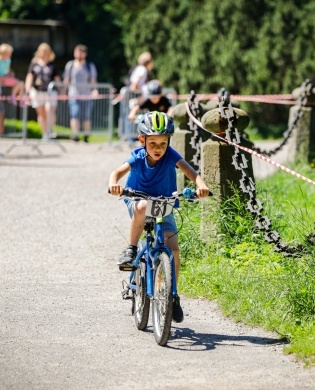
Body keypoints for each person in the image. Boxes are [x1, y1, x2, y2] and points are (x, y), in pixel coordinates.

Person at [108, 111, 210, 323]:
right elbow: (116, 173)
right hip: (137, 198)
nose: (158, 148)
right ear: (142, 140)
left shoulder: (171, 156)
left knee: (173, 250)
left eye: (163, 143)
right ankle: (132, 248)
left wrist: (201, 186)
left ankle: (173, 296)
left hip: (165, 202)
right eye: (153, 143)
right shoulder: (137, 157)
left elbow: (191, 172)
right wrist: (114, 184)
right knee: (142, 207)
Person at [24, 43, 61, 140]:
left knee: (50, 110)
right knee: (41, 113)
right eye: (42, 50)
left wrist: (61, 90)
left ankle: (50, 130)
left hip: (50, 91)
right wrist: (27, 89)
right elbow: (30, 76)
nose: (44, 53)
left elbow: (56, 77)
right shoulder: (34, 63)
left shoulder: (52, 64)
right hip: (37, 91)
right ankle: (44, 134)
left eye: (46, 51)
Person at [63, 44, 98, 142]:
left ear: (85, 54)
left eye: (81, 52)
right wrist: (63, 91)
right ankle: (75, 134)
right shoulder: (70, 65)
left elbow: (93, 79)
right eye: (77, 51)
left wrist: (95, 90)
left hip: (87, 94)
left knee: (86, 115)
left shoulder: (89, 66)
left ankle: (86, 135)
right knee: (75, 113)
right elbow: (67, 79)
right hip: (73, 93)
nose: (78, 54)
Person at [0, 43, 24, 136]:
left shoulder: (8, 61)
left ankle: (15, 98)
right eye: (9, 53)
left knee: (20, 84)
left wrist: (10, 73)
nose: (10, 54)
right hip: (2, 79)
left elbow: (7, 71)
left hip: (5, 79)